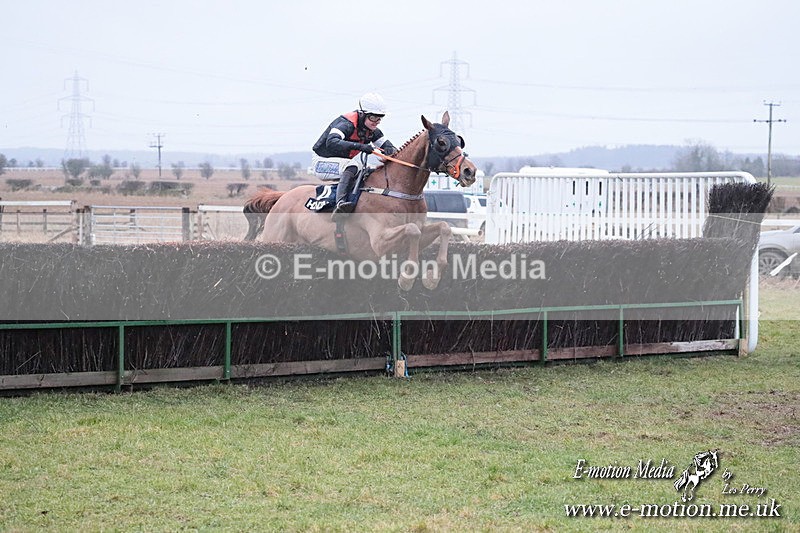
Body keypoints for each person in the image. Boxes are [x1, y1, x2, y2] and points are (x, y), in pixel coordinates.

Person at [312, 93, 397, 215]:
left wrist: (391, 153)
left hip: (340, 163)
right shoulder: (346, 124)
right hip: (321, 162)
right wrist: (361, 147)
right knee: (353, 166)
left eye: (380, 118)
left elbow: (389, 147)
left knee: (368, 171)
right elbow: (331, 141)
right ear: (362, 114)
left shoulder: (373, 131)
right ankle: (340, 204)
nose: (376, 122)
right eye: (373, 117)